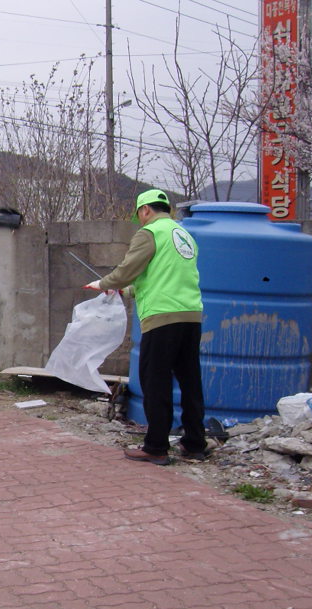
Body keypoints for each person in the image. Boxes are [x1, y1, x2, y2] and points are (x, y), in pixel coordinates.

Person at [85, 189, 207, 465]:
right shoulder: (183, 235)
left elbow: (129, 268)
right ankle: (195, 443)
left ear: (145, 211)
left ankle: (156, 447)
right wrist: (125, 291)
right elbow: (160, 277)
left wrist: (105, 284)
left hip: (162, 318)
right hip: (190, 316)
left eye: (140, 214)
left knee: (156, 382)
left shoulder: (150, 232)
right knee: (190, 382)